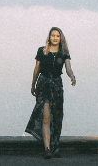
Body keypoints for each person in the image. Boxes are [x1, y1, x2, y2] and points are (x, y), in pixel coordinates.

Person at [25, 26, 76, 158]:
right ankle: (47, 148)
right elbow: (36, 69)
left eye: (57, 36)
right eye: (53, 35)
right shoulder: (42, 51)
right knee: (46, 116)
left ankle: (55, 146)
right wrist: (33, 84)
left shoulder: (64, 52)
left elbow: (68, 68)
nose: (55, 38)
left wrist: (72, 76)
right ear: (49, 37)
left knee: (57, 117)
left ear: (61, 38)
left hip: (56, 86)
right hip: (43, 85)